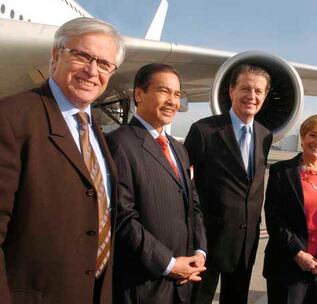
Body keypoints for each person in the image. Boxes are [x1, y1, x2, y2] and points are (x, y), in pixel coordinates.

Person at [0, 17, 125, 304]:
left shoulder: (94, 130)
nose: (93, 71)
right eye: (82, 56)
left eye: (104, 64)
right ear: (56, 55)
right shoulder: (11, 117)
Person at [106, 63, 207, 304]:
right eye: (164, 91)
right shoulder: (118, 144)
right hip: (145, 284)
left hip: (183, 281)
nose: (173, 101)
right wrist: (169, 264)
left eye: (177, 94)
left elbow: (193, 206)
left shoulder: (178, 148)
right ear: (138, 94)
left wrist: (199, 253)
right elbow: (122, 218)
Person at [185, 64, 273, 304]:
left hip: (245, 243)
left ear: (265, 96)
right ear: (232, 90)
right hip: (206, 242)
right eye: (245, 88)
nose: (251, 96)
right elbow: (183, 183)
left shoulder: (265, 135)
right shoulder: (204, 131)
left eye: (258, 91)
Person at [263, 114, 317, 304]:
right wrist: (298, 253)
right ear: (303, 137)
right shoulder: (281, 171)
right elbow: (274, 218)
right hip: (287, 265)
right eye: (313, 135)